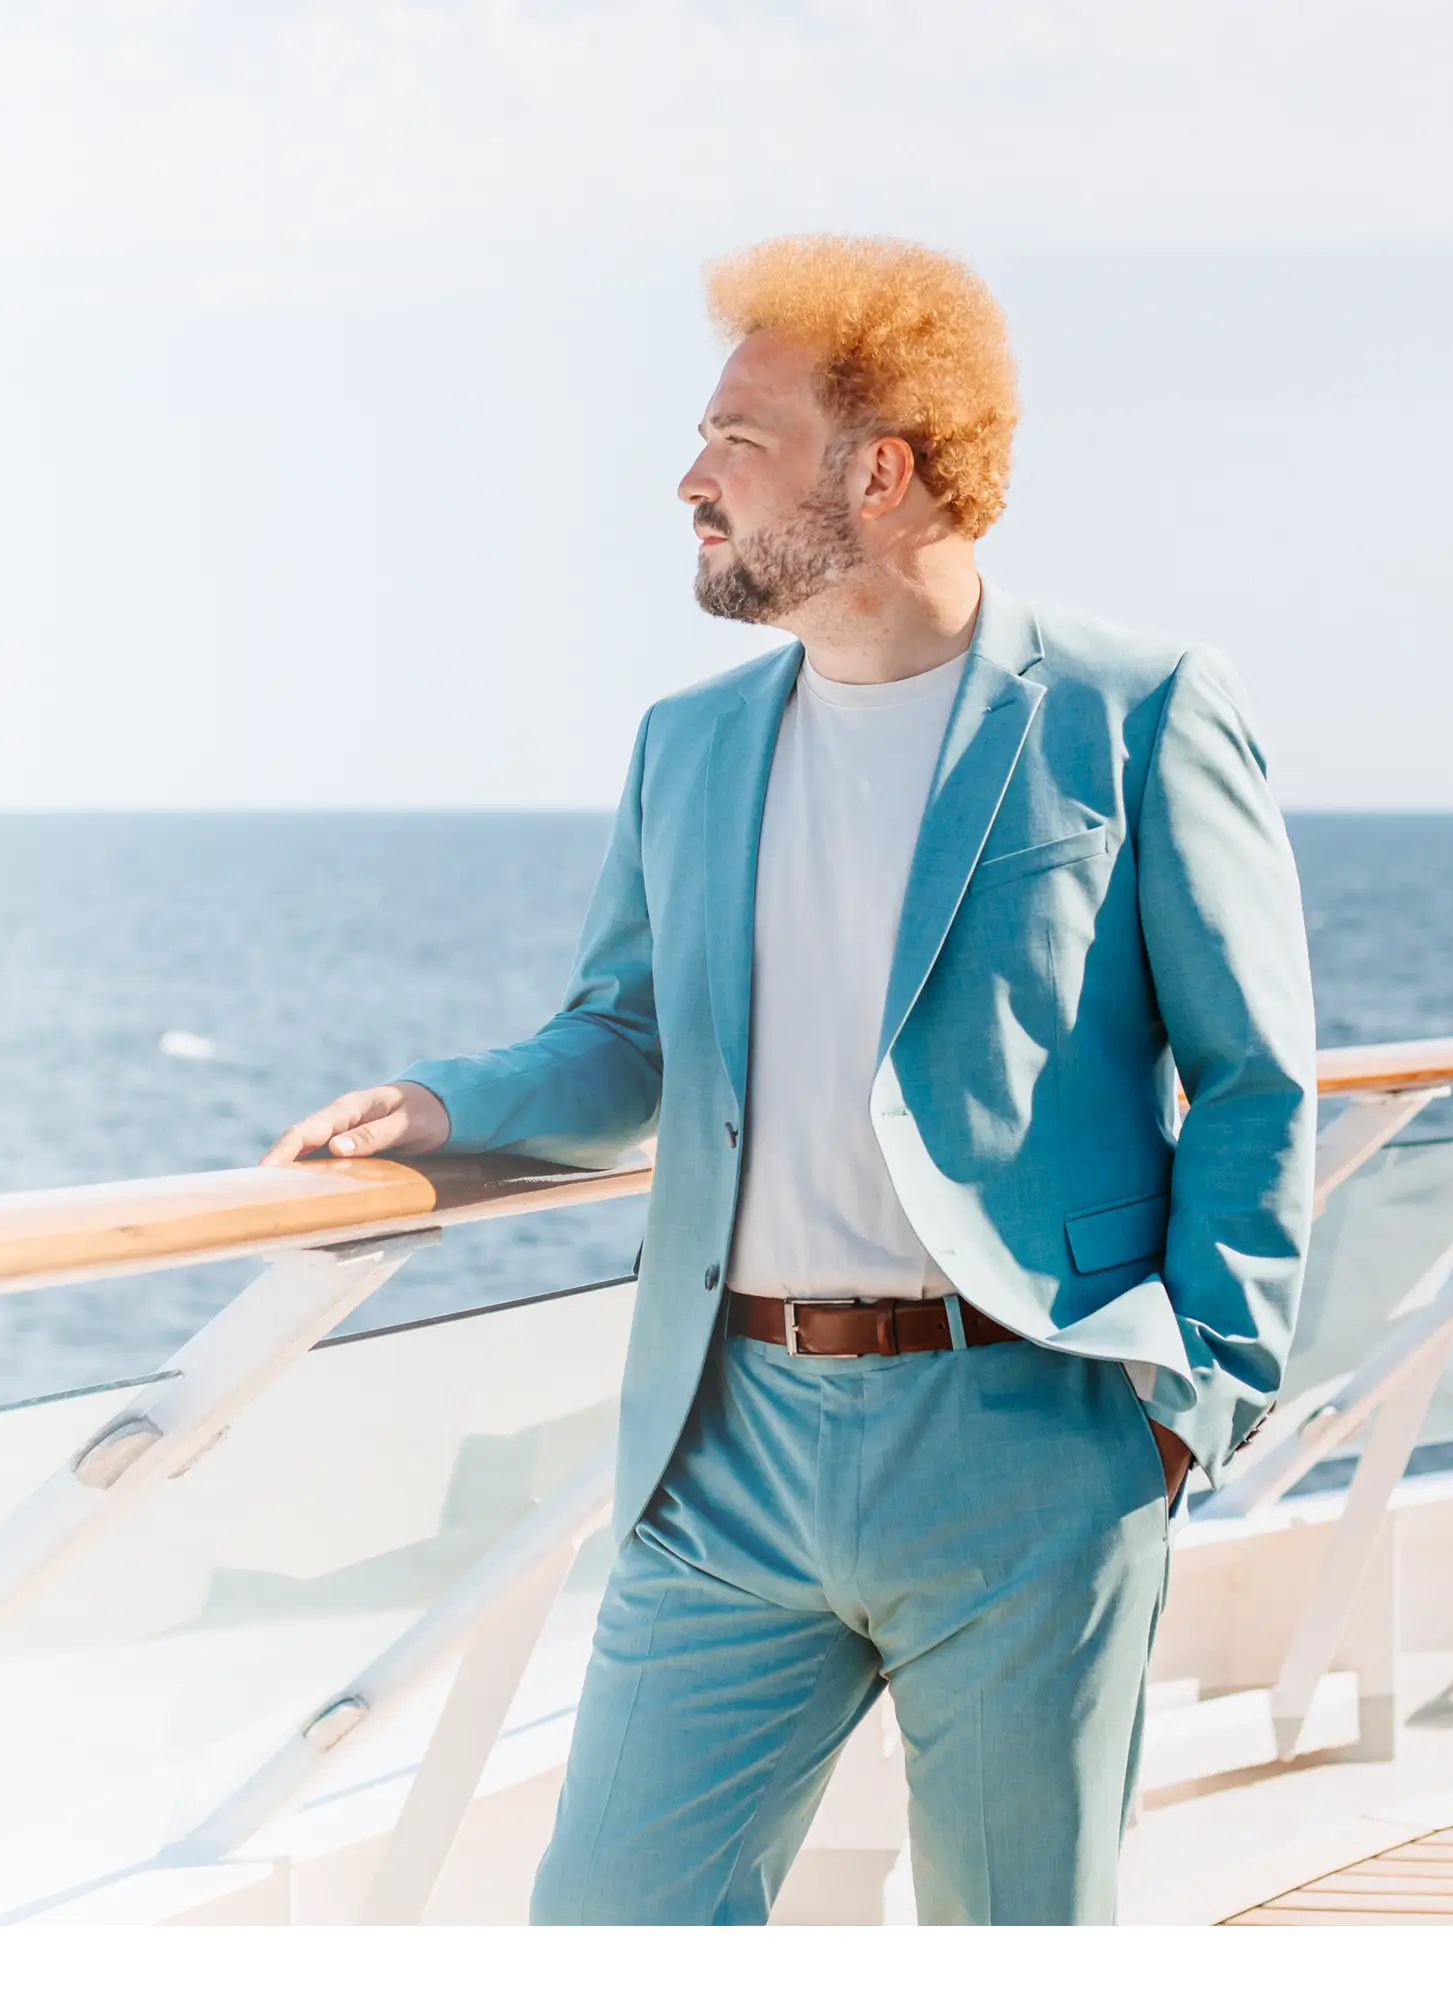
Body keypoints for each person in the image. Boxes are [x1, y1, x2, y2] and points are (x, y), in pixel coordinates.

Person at [267, 235, 1318, 1926]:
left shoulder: (1138, 710)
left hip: (1030, 1434)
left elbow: (1252, 1077)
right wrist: (449, 1108)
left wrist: (1195, 1397)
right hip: (725, 1448)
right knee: (608, 1929)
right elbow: (626, 1038)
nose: (690, 481)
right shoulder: (687, 745)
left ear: (878, 473)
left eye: (734, 443)